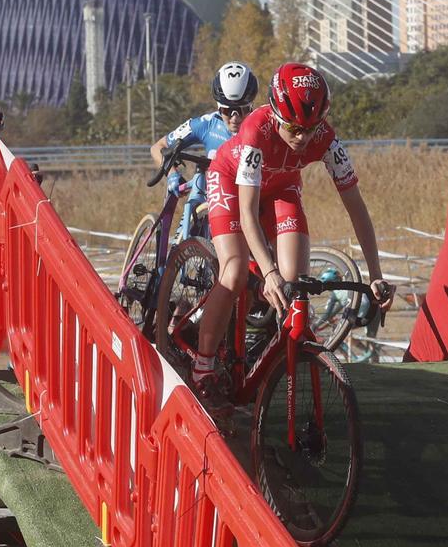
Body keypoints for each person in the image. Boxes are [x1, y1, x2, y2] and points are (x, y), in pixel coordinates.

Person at [190, 63, 394, 398]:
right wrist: (268, 272)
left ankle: (269, 351)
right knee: (235, 270)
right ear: (274, 113)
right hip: (230, 181)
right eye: (293, 128)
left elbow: (357, 209)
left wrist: (375, 273)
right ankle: (203, 363)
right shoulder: (257, 130)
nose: (302, 137)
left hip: (281, 188)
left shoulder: (327, 139)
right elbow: (247, 212)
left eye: (310, 129)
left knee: (296, 282)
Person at [148, 62, 258, 237]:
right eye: (227, 111)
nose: (235, 118)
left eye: (243, 110)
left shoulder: (260, 126)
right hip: (211, 197)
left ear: (251, 106)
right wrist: (172, 174)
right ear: (218, 107)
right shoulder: (206, 124)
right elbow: (158, 147)